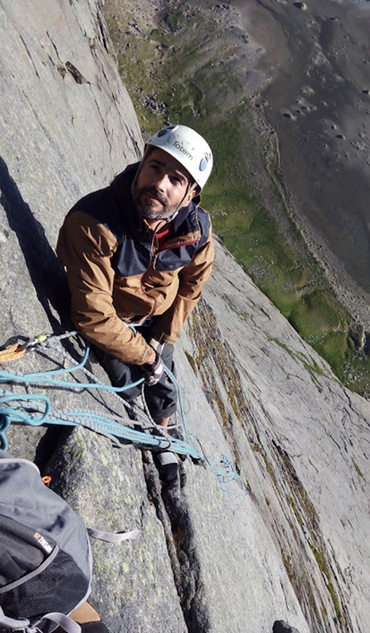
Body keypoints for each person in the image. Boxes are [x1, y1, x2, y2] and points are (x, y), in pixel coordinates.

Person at [56, 124, 214, 483]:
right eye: (155, 168)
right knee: (126, 382)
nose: (160, 184)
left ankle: (163, 430)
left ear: (189, 195)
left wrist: (163, 338)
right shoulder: (95, 221)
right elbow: (93, 315)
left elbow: (192, 284)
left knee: (165, 385)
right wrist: (146, 356)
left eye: (176, 179)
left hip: (153, 323)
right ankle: (143, 427)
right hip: (112, 319)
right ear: (141, 164)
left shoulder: (196, 231)